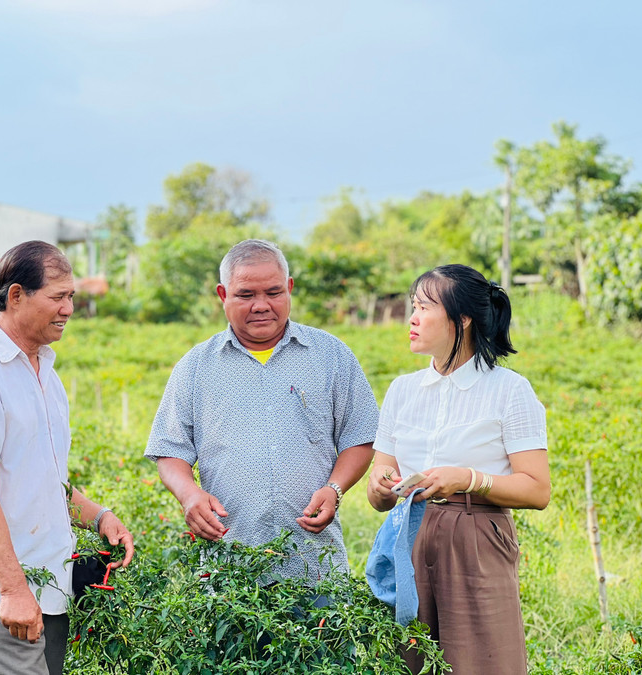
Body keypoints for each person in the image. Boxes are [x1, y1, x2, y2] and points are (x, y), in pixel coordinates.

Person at [0, 240, 134, 675]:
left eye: (72, 296)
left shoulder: (46, 374)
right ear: (17, 296)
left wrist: (98, 516)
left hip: (50, 584)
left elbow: (42, 478)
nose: (69, 309)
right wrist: (13, 589)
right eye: (58, 297)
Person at [145, 238, 379, 581]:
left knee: (321, 633)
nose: (261, 305)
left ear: (289, 288)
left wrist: (335, 488)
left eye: (273, 292)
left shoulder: (331, 355)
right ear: (223, 295)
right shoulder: (196, 366)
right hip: (230, 566)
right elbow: (169, 450)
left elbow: (360, 436)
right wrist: (189, 494)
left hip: (315, 564)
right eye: (246, 295)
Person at [366, 264, 549, 674]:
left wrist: (468, 479)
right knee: (409, 659)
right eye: (413, 306)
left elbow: (537, 490)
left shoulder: (508, 390)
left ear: (462, 319)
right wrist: (380, 486)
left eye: (424, 307)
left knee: (484, 661)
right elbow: (378, 486)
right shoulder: (401, 391)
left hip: (477, 538)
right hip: (409, 535)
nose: (411, 318)